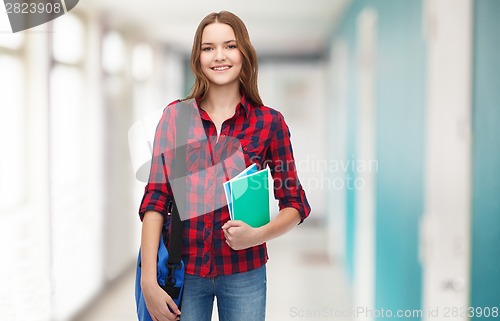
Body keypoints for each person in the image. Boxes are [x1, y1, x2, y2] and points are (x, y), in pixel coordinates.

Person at [138, 11, 310, 321]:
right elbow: (155, 199)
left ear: (244, 52)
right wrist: (148, 280)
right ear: (198, 57)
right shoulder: (176, 118)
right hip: (183, 272)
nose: (219, 56)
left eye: (229, 46)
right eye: (208, 48)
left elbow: (295, 204)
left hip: (245, 273)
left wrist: (258, 235)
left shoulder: (269, 123)